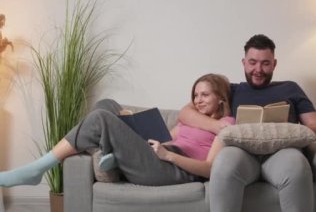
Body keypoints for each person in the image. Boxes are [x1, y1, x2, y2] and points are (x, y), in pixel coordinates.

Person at [0, 73, 235, 187]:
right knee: (107, 105)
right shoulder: (191, 117)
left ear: (220, 98)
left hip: (173, 169)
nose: (198, 100)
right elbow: (168, 138)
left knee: (100, 117)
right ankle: (111, 152)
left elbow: (209, 169)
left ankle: (37, 169)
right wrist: (136, 128)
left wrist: (169, 155)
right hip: (158, 156)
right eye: (196, 95)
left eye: (205, 95)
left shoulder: (228, 125)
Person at [178, 34, 316, 212]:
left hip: (281, 153)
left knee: (297, 166)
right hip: (242, 154)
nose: (258, 69)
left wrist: (286, 131)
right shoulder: (231, 90)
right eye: (253, 62)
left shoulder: (290, 88)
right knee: (224, 163)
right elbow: (186, 113)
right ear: (243, 63)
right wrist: (218, 127)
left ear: (274, 64)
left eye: (265, 63)